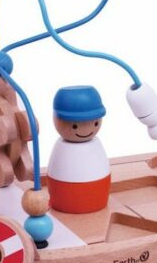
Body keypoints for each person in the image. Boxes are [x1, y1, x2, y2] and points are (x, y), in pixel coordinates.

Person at [47, 86, 110, 214]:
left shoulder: (95, 144)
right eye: (75, 126)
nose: (85, 129)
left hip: (97, 203)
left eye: (95, 123)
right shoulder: (62, 147)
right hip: (63, 208)